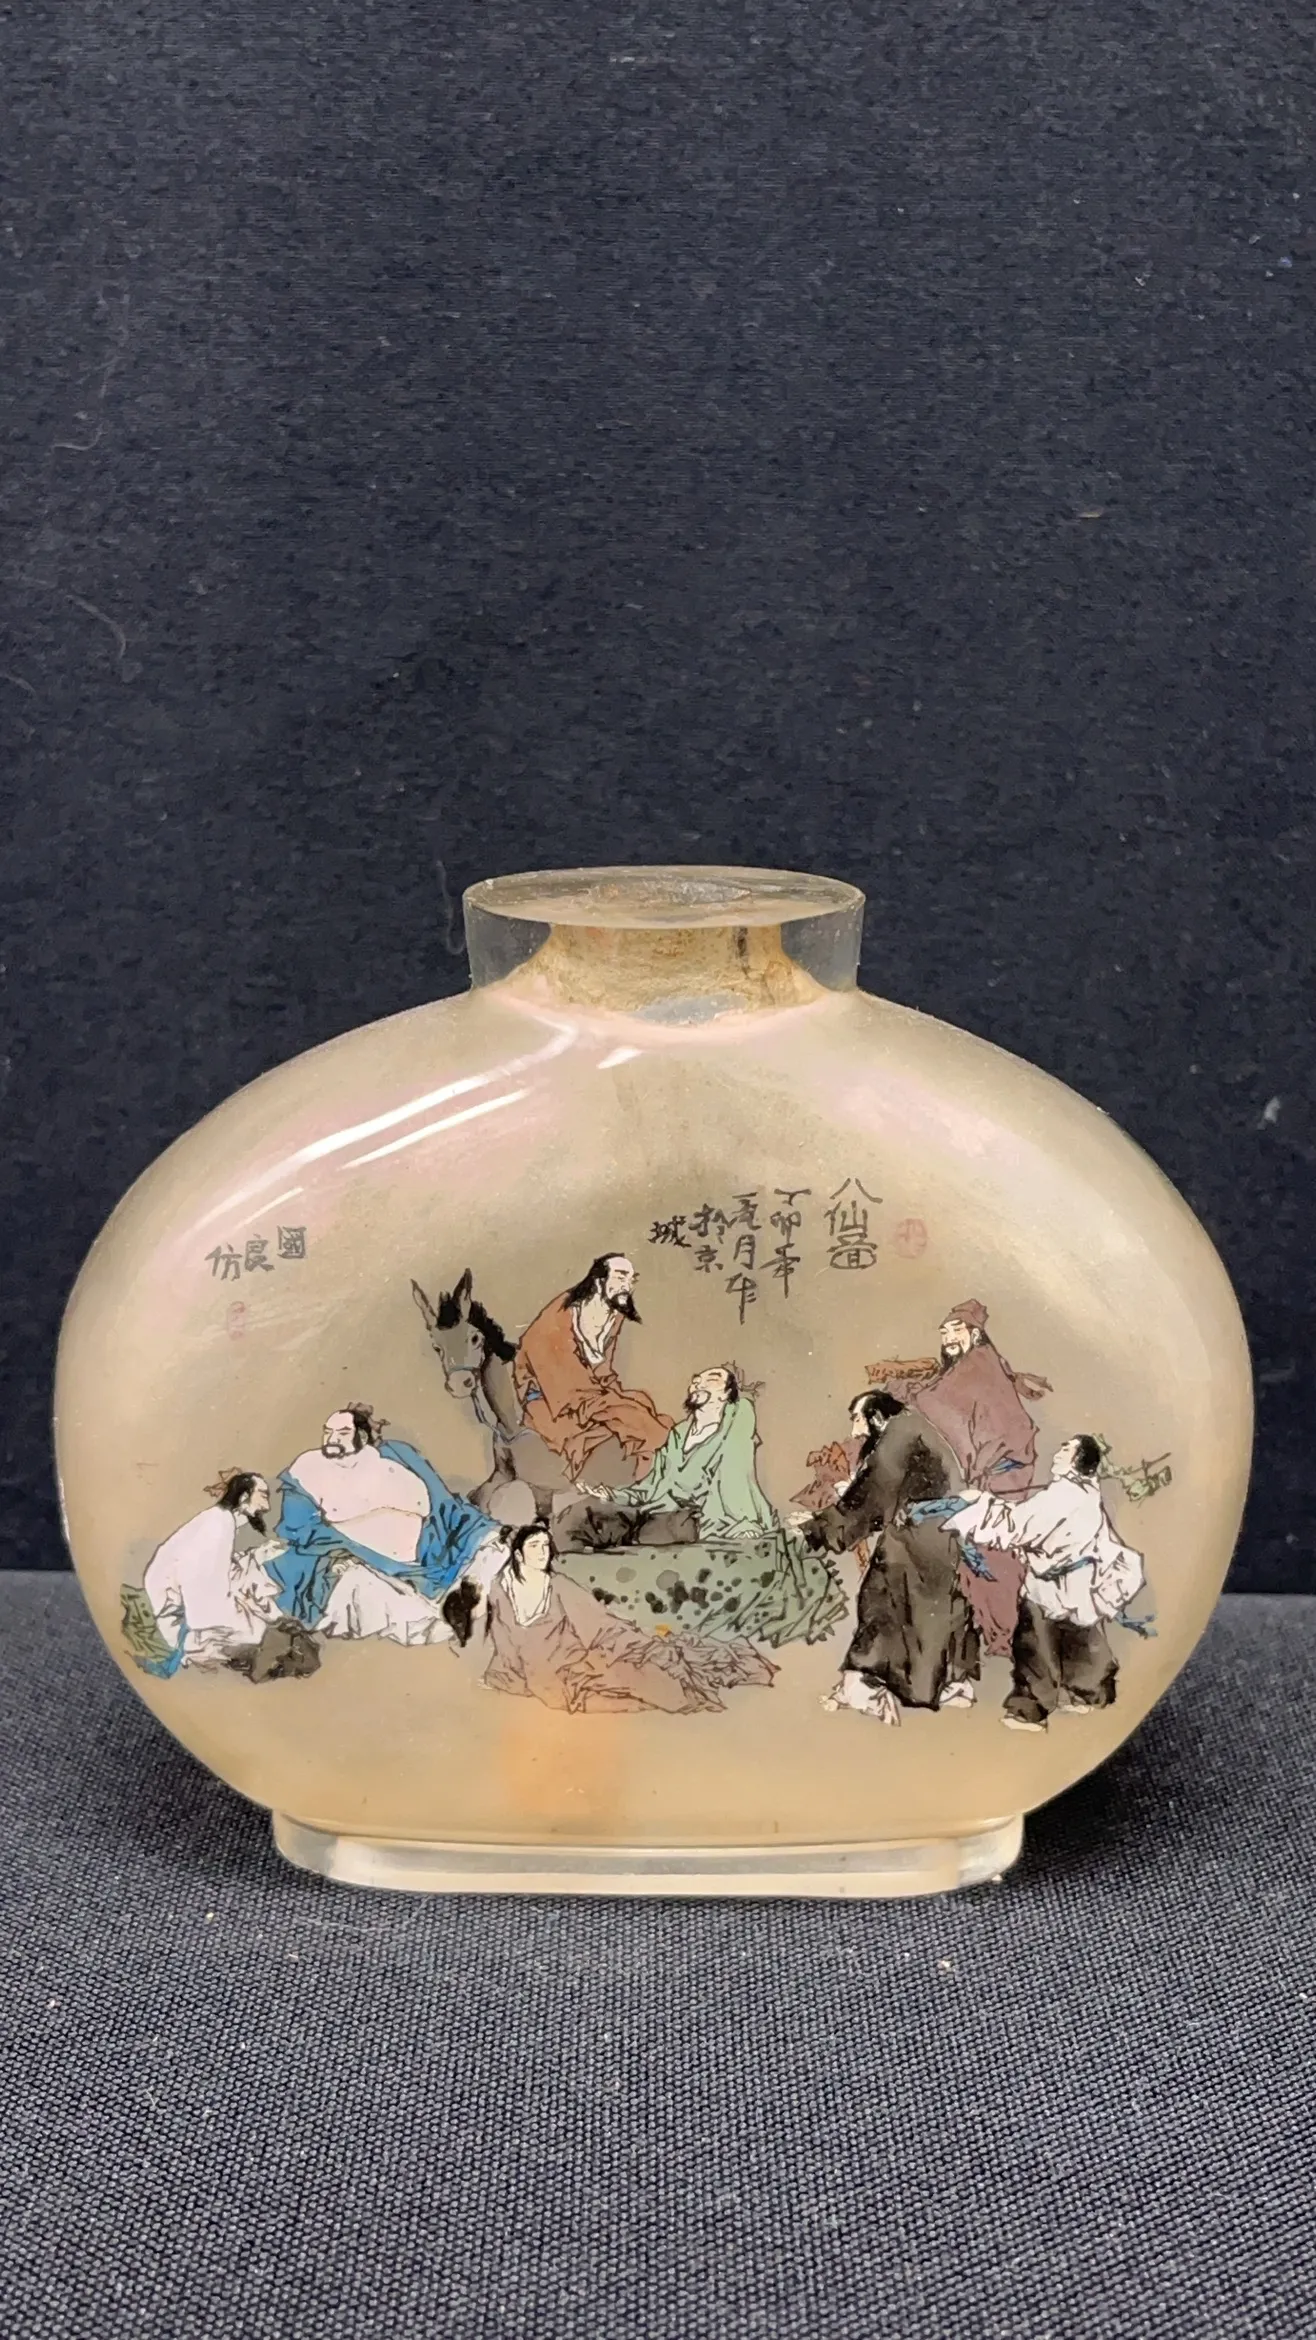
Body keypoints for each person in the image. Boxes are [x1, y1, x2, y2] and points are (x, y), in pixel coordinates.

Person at [872, 1299, 1050, 1659]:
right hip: (991, 1470)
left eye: (956, 1330)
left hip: (999, 1472)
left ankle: (1003, 1635)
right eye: (944, 1332)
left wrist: (898, 1389)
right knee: (980, 1551)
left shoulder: (976, 1366)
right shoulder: (974, 1365)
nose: (948, 1338)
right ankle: (993, 1634)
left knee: (986, 1551)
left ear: (975, 1334)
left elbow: (937, 1401)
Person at [931, 1434, 1146, 1731]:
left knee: (1035, 1643)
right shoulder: (1086, 1494)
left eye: (1066, 1450)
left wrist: (976, 1506)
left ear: (1076, 1461)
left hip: (1049, 1587)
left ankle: (1029, 1711)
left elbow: (1017, 1528)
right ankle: (1091, 1693)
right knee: (1080, 1636)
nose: (1058, 1452)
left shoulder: (1062, 1496)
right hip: (1076, 1585)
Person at [794, 1392, 979, 1724]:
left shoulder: (901, 1431)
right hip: (936, 1534)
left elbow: (875, 1492)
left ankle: (863, 1687)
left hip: (920, 1536)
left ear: (877, 1416)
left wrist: (818, 1529)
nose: (855, 1431)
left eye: (858, 1419)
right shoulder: (912, 1427)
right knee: (926, 1610)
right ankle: (948, 1684)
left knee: (883, 1600)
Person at [268, 1404, 507, 1644]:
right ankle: (451, 1610)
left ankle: (467, 1595)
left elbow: (439, 1498)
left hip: (430, 1545)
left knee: (491, 1544)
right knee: (378, 1594)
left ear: (362, 1437)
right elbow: (301, 1529)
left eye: (342, 1433)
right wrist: (362, 1530)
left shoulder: (395, 1454)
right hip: (370, 1556)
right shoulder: (306, 1471)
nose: (332, 1439)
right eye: (328, 1432)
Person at [481, 1523, 776, 1714]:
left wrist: (628, 1641)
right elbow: (503, 1638)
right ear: (518, 1555)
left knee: (642, 1678)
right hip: (538, 1668)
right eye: (534, 1546)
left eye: (546, 1545)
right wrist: (506, 1673)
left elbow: (599, 1622)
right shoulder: (500, 1588)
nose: (542, 1552)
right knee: (595, 1696)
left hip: (570, 1658)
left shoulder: (558, 1584)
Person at [558, 1366, 777, 1549]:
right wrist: (612, 1494)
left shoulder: (734, 1432)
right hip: (655, 1510)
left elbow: (736, 1479)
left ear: (726, 1394)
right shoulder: (677, 1436)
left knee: (653, 1533)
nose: (698, 1383)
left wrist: (745, 1523)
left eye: (711, 1379)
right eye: (696, 1380)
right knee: (585, 1513)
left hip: (693, 1520)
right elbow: (651, 1487)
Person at [512, 1254, 672, 1480]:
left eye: (631, 1279)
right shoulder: (560, 1316)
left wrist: (615, 1397)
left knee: (641, 1402)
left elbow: (603, 1370)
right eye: (621, 1277)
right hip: (550, 1401)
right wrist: (613, 1404)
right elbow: (563, 1384)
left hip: (589, 1396)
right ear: (599, 1281)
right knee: (631, 1417)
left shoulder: (614, 1314)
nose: (627, 1286)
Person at [138, 1470, 284, 1671]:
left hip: (193, 1593)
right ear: (244, 1497)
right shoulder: (218, 1525)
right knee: (254, 1632)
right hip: (176, 1608)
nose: (266, 1507)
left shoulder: (222, 1520)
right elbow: (203, 1586)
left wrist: (258, 1555)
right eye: (263, 1496)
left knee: (256, 1597)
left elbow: (221, 1568)